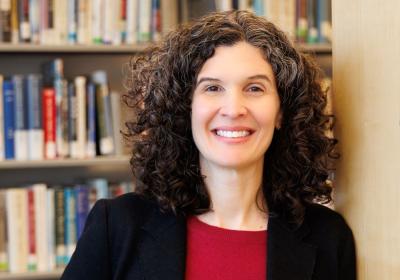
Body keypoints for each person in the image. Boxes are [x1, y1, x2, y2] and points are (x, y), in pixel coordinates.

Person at [61, 10, 356, 280]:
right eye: (213, 88)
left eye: (254, 88)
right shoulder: (117, 226)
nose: (233, 108)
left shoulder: (329, 238)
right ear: (185, 108)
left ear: (282, 112)